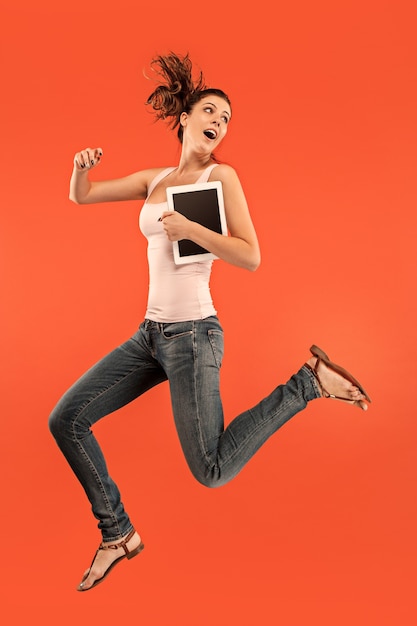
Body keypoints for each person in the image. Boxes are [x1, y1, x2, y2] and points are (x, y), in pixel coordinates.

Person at [49, 52, 371, 592]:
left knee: (212, 470)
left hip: (194, 337)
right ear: (185, 118)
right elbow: (83, 196)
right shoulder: (158, 178)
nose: (218, 122)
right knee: (67, 419)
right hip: (150, 336)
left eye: (226, 118)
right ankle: (117, 532)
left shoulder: (223, 176)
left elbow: (250, 255)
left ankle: (308, 383)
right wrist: (81, 169)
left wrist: (190, 233)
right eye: (211, 111)